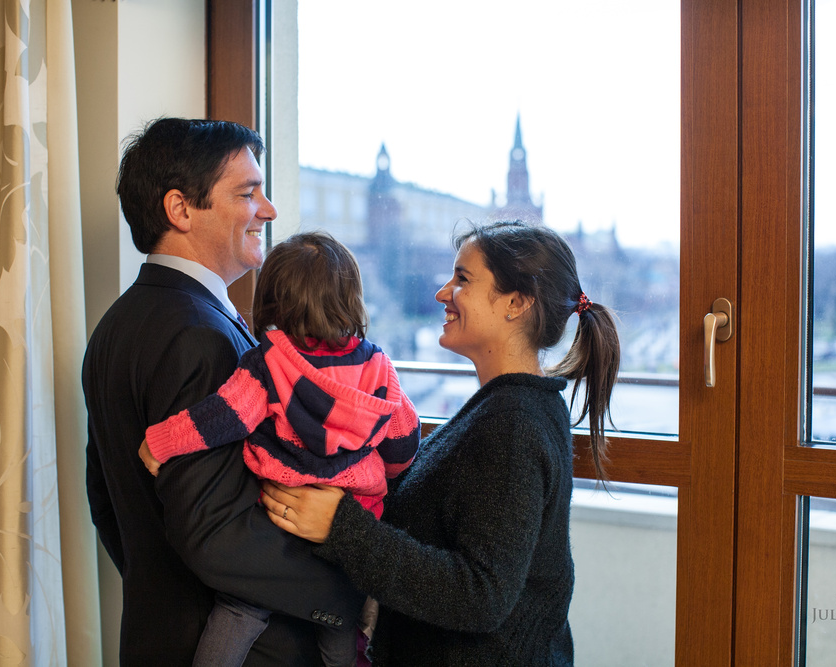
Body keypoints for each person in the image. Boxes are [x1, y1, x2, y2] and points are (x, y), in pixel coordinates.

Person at [261, 220, 621, 666]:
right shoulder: (506, 407)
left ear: (516, 303)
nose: (442, 293)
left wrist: (341, 527)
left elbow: (481, 595)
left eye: (463, 279)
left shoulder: (514, 426)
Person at [83, 118, 362, 667]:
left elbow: (106, 502)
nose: (269, 209)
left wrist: (165, 596)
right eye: (246, 193)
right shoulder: (200, 337)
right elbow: (215, 533)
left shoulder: (116, 324)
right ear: (181, 210)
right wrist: (345, 594)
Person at [138, 231, 421, 667]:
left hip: (277, 519)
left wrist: (160, 442)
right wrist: (389, 473)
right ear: (351, 299)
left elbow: (220, 419)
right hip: (351, 521)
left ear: (272, 299)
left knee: (240, 609)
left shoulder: (268, 364)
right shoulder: (379, 367)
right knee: (340, 622)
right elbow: (403, 441)